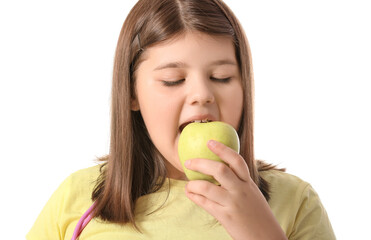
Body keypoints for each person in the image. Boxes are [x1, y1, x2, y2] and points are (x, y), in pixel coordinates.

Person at [26, 0, 336, 239]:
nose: (202, 94)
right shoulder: (79, 198)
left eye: (222, 77)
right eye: (173, 80)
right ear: (131, 94)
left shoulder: (296, 202)